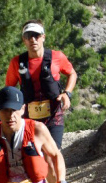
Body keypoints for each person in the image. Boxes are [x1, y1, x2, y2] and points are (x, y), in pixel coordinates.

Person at [5, 20, 77, 150]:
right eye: (28, 36)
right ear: (24, 40)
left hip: (54, 115)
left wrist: (67, 93)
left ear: (43, 37)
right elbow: (9, 89)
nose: (33, 39)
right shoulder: (17, 62)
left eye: (36, 35)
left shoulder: (57, 57)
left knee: (53, 152)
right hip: (28, 117)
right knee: (32, 155)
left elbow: (72, 74)